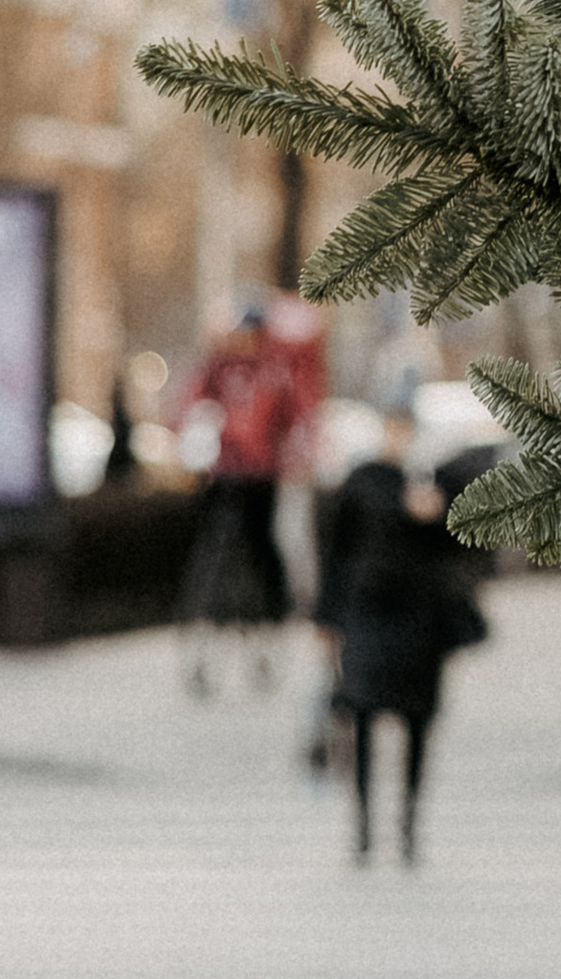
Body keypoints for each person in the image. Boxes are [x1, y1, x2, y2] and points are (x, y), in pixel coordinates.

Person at [314, 410, 486, 862]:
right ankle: (364, 826)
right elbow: (336, 551)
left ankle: (409, 822)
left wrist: (436, 511)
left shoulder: (435, 482)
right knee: (363, 716)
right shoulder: (362, 482)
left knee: (417, 721)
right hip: (367, 614)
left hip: (420, 620)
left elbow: (466, 547)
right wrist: (326, 619)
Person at [170, 300, 321, 691]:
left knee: (262, 556)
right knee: (213, 559)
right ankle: (207, 635)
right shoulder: (219, 366)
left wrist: (299, 452)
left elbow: (296, 417)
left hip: (261, 480)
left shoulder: (275, 369)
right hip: (222, 479)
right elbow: (189, 404)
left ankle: (268, 629)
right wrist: (193, 437)